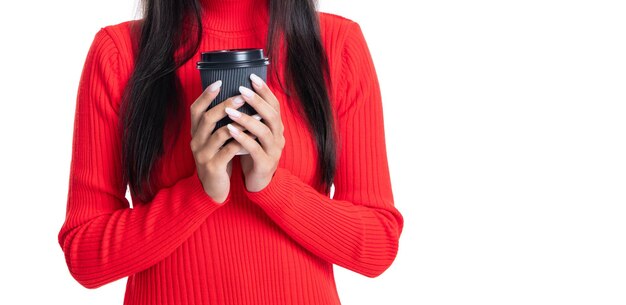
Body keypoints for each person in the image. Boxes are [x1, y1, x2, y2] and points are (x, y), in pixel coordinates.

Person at [57, 0, 405, 303]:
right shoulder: (120, 53)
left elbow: (377, 244)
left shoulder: (336, 46)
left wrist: (272, 187)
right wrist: (198, 194)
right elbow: (84, 254)